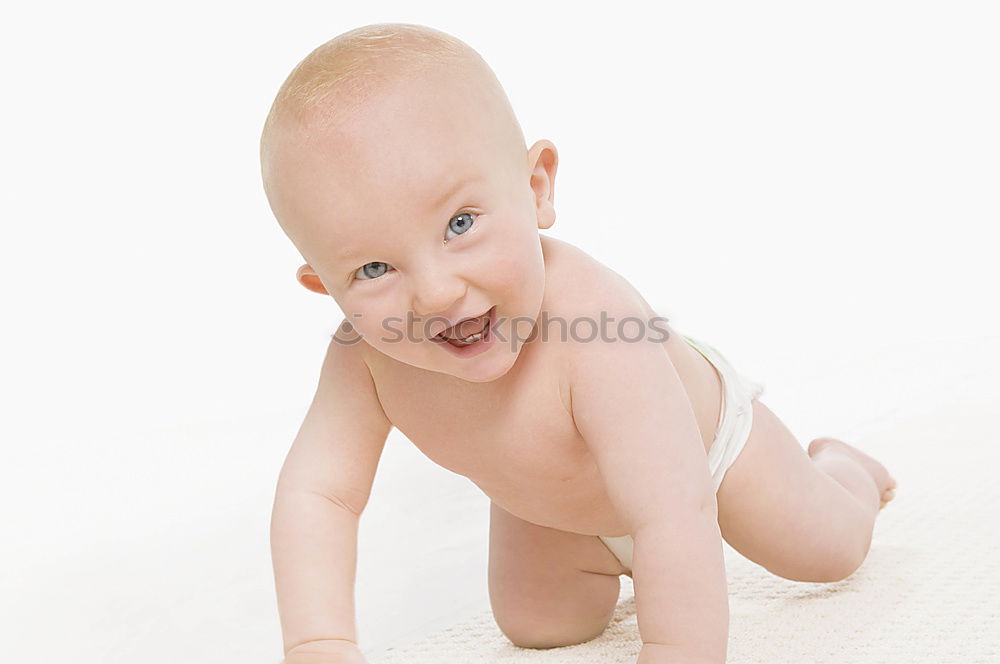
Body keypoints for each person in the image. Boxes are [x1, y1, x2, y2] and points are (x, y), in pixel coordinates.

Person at [260, 23, 897, 664]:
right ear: (324, 285)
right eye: (373, 270)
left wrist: (678, 647)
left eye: (459, 224)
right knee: (540, 626)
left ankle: (846, 470)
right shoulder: (365, 360)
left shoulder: (596, 324)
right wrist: (319, 643)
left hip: (703, 462)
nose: (435, 293)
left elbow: (673, 504)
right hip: (550, 504)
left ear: (536, 188)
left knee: (828, 548)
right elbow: (319, 495)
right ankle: (596, 549)